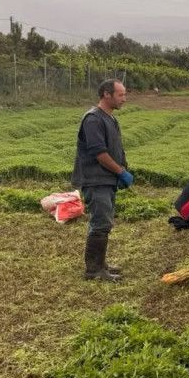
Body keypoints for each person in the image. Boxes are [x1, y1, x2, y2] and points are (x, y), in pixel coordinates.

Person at [71, 79, 133, 282]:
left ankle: (101, 264)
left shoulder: (110, 119)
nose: (124, 99)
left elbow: (115, 149)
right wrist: (119, 171)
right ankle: (93, 271)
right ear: (107, 94)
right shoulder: (93, 119)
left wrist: (121, 171)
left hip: (107, 179)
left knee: (104, 222)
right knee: (100, 223)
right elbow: (99, 153)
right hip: (95, 180)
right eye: (121, 94)